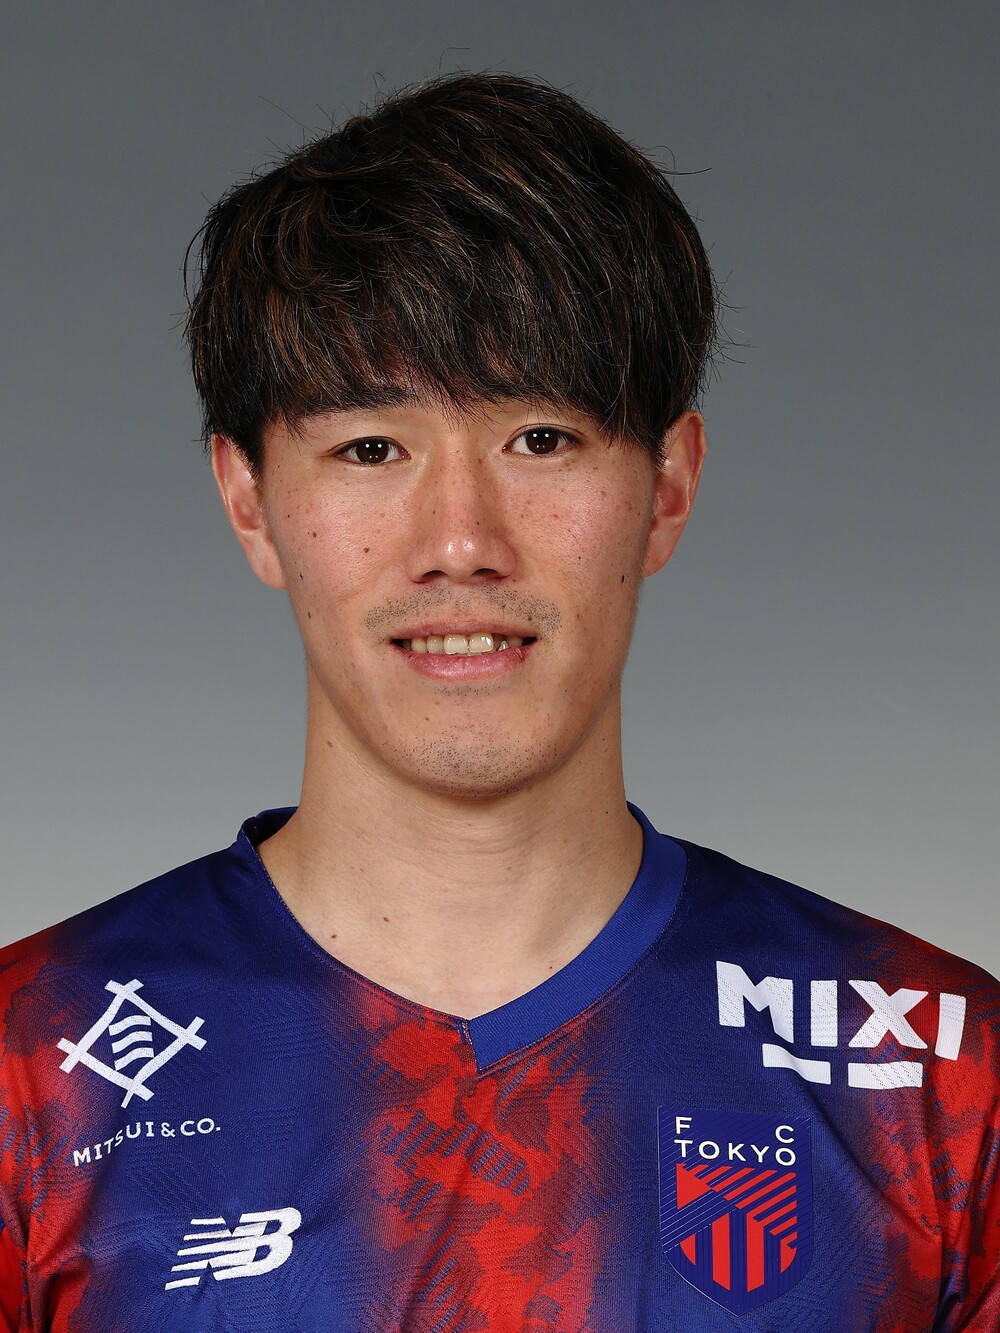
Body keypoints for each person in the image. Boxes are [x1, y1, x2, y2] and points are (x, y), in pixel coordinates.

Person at [0, 72, 996, 1333]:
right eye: (371, 448)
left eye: (540, 438)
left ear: (668, 487)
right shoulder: (32, 1069)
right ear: (249, 501)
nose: (461, 541)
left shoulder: (937, 1076)